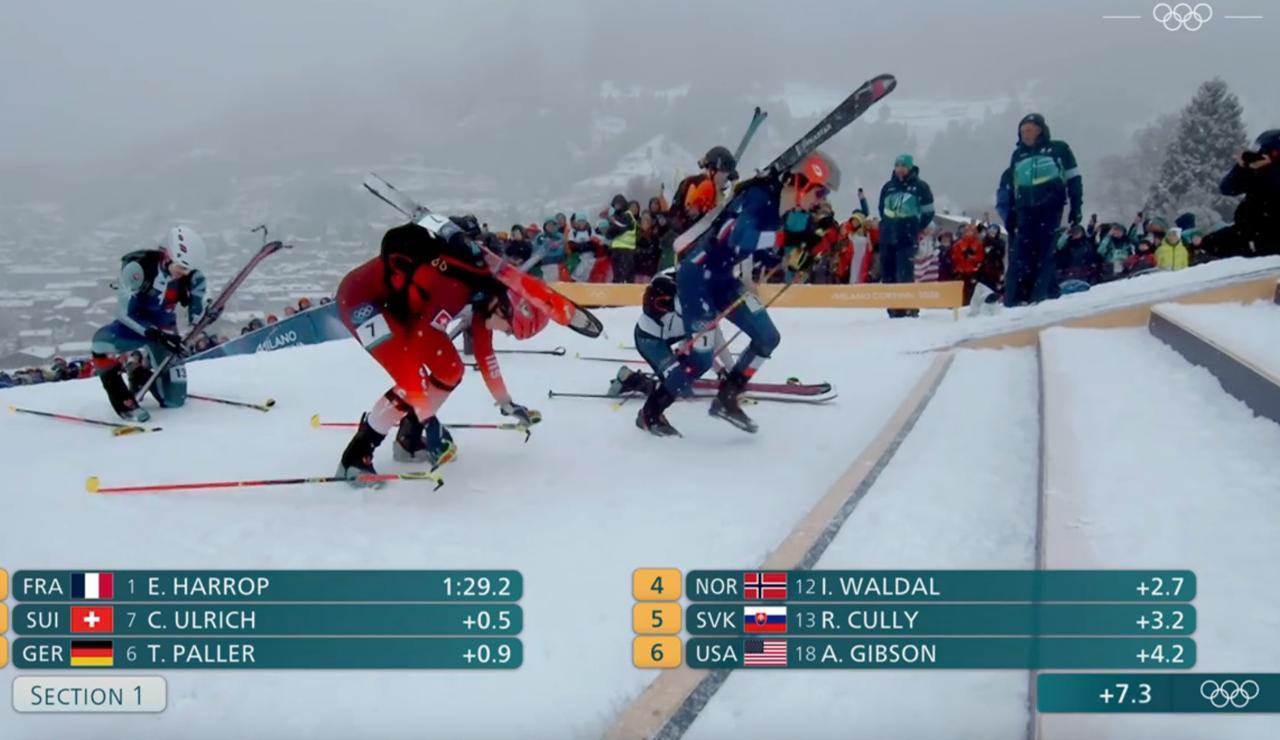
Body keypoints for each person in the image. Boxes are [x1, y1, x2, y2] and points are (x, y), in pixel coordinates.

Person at [636, 150, 839, 435]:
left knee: (768, 337)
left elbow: (761, 252)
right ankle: (650, 413)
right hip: (697, 278)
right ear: (802, 183)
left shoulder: (778, 209)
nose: (820, 201)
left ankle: (727, 397)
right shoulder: (760, 196)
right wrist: (787, 238)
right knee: (701, 359)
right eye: (819, 193)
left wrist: (800, 256)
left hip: (723, 279)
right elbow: (741, 239)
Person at [334, 219, 547, 485]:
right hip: (360, 300)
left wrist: (506, 403)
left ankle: (409, 441)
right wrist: (429, 419)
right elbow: (415, 351)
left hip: (397, 306)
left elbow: (485, 354)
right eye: (509, 330)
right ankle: (355, 458)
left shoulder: (485, 297)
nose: (506, 333)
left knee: (450, 369)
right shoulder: (455, 290)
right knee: (412, 378)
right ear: (505, 308)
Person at [90, 226, 208, 422]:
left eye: (188, 269)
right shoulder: (137, 269)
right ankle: (123, 400)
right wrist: (155, 334)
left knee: (175, 401)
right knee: (100, 344)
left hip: (166, 332)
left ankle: (139, 375)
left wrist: (205, 312)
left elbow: (197, 316)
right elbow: (124, 314)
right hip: (134, 329)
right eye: (180, 266)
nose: (183, 273)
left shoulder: (192, 277)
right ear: (168, 255)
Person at [1004, 113, 1083, 306]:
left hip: (1050, 206)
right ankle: (1015, 298)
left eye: (1029, 130)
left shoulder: (1058, 149)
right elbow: (1012, 186)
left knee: (1045, 251)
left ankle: (1039, 297)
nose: (1025, 135)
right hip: (1025, 208)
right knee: (1020, 254)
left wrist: (1076, 207)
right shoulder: (1018, 155)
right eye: (1022, 131)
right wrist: (1011, 212)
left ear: (1040, 130)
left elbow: (1074, 178)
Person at [1207, 129, 1280, 258]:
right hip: (1249, 231)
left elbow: (1275, 187)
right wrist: (1241, 168)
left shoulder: (1272, 173)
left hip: (1272, 234)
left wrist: (1269, 169)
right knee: (1208, 243)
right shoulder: (1254, 171)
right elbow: (1227, 188)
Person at [877, 154, 935, 317]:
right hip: (888, 236)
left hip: (907, 237)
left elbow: (928, 211)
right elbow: (882, 209)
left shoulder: (921, 187)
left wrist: (916, 226)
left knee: (905, 273)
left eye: (903, 166)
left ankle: (909, 308)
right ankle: (893, 309)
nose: (900, 169)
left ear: (910, 167)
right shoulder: (888, 187)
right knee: (888, 274)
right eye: (897, 165)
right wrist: (888, 225)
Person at [672, 145, 738, 225]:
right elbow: (713, 219)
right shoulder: (707, 186)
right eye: (724, 172)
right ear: (713, 170)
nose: (726, 178)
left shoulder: (696, 181)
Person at [602, 194, 639, 283]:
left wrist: (609, 230)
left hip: (626, 250)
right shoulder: (618, 216)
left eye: (619, 204)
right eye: (615, 204)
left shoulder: (626, 215)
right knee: (618, 277)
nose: (617, 206)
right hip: (618, 250)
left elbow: (617, 228)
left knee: (623, 277)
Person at [950, 225, 986, 303]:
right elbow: (954, 256)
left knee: (971, 290)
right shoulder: (958, 244)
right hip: (961, 271)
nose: (969, 233)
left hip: (972, 272)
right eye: (967, 231)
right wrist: (963, 256)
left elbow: (980, 257)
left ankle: (969, 304)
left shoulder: (978, 244)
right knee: (959, 290)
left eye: (971, 231)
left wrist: (972, 257)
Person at [534, 217, 567, 282]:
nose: (551, 227)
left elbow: (561, 250)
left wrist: (552, 247)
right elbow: (536, 249)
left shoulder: (560, 236)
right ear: (545, 226)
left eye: (553, 225)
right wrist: (546, 248)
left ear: (556, 226)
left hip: (557, 264)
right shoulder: (540, 237)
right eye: (548, 225)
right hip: (544, 264)